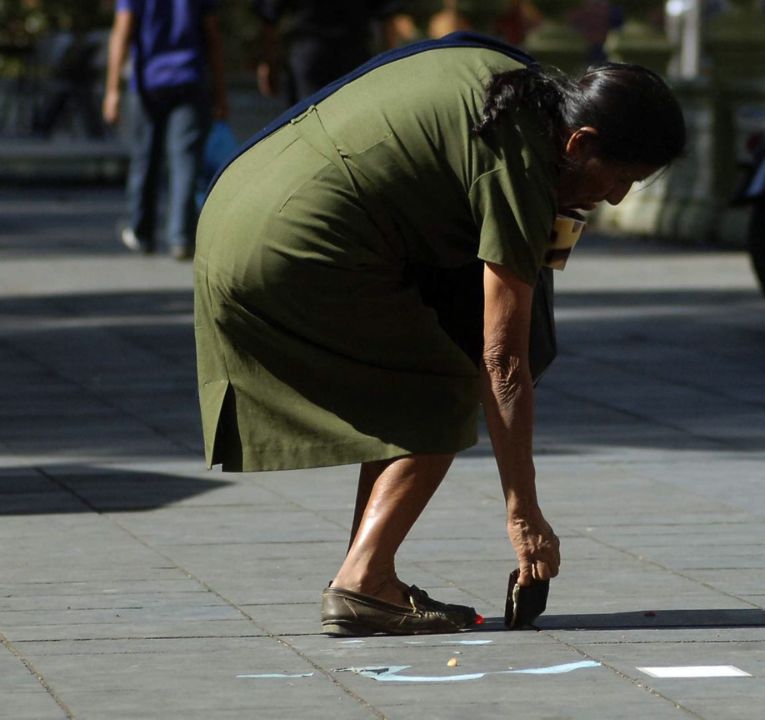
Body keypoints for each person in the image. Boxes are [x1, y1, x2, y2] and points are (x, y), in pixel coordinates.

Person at [194, 34, 686, 636]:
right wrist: (523, 514)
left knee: (412, 378)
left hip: (237, 208)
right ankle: (363, 582)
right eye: (620, 177)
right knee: (444, 382)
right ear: (581, 142)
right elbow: (501, 360)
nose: (616, 197)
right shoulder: (523, 157)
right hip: (293, 242)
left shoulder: (518, 86)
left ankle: (367, 575)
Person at [103, 0, 228, 260]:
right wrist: (219, 91)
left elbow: (122, 30)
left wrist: (113, 89)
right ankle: (181, 236)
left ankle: (141, 231)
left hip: (149, 81)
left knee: (145, 157)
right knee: (185, 160)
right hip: (189, 78)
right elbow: (212, 36)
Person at [252, 0, 418, 104]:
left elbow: (269, 18)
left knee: (309, 122)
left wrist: (269, 62)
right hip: (353, 55)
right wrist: (391, 66)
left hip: (310, 55)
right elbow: (387, 17)